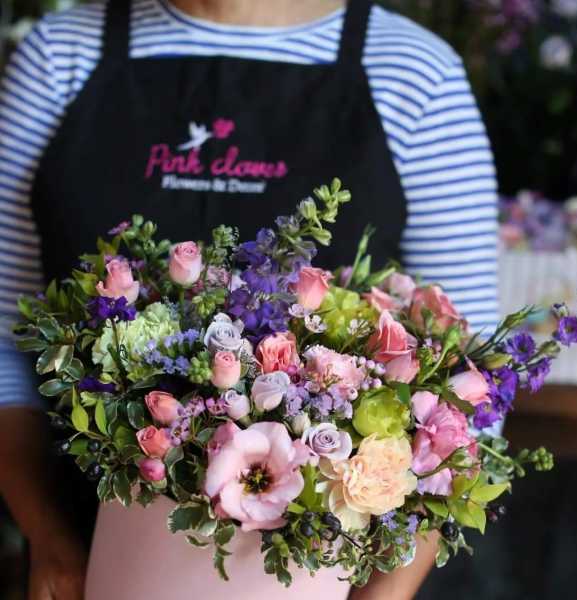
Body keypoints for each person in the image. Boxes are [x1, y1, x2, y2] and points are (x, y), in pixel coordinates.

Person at [0, 0, 500, 598]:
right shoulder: (61, 55)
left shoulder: (415, 73)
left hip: (333, 579)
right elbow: (6, 341)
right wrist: (50, 539)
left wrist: (383, 594)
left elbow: (473, 396)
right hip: (86, 559)